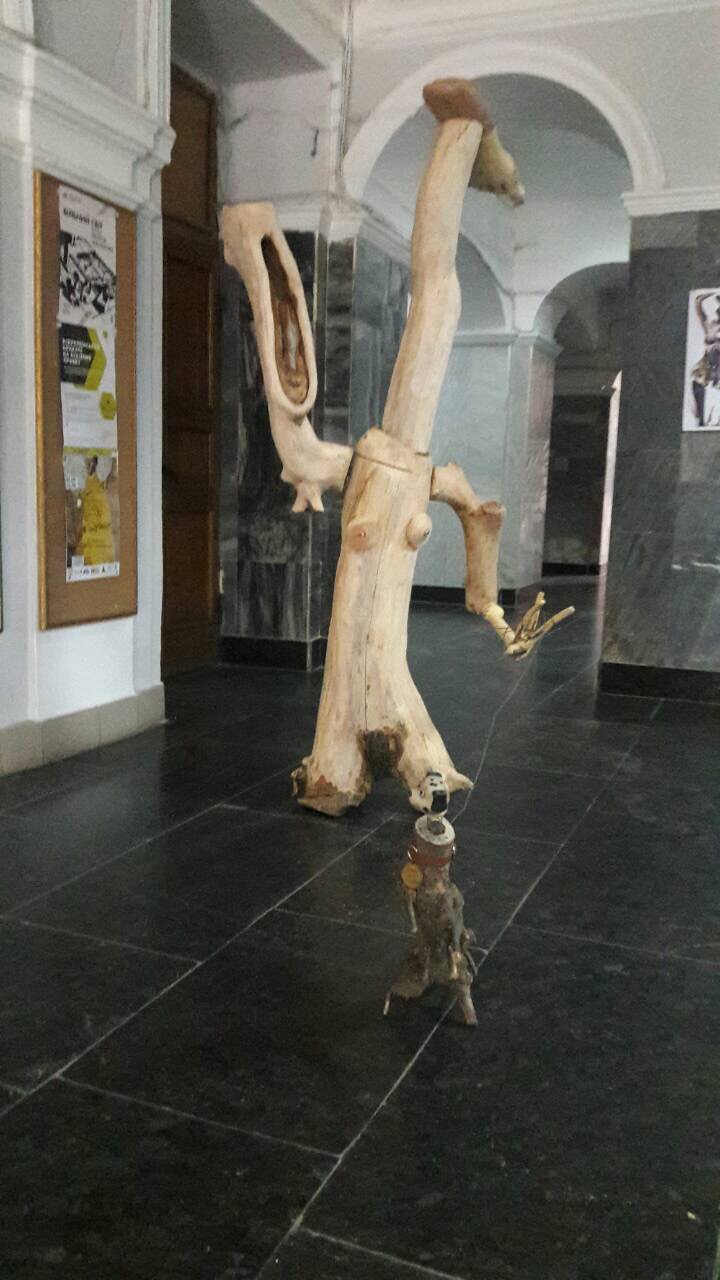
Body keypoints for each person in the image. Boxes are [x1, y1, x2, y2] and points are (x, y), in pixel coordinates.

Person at [691, 291, 720, 426]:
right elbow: (700, 312)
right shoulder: (712, 327)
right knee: (698, 380)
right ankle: (701, 420)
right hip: (710, 364)